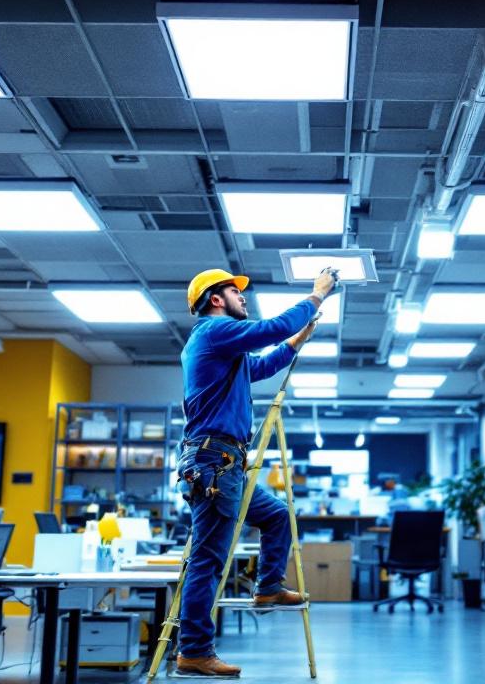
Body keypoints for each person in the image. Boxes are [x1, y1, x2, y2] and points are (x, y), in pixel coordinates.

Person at [174, 266, 337, 676]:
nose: (243, 297)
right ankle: (193, 650)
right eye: (236, 291)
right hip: (214, 463)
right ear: (216, 299)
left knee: (277, 515)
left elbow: (257, 369)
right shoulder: (212, 332)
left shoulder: (223, 347)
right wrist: (316, 295)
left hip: (225, 463)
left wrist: (296, 342)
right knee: (208, 561)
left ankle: (268, 588)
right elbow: (270, 329)